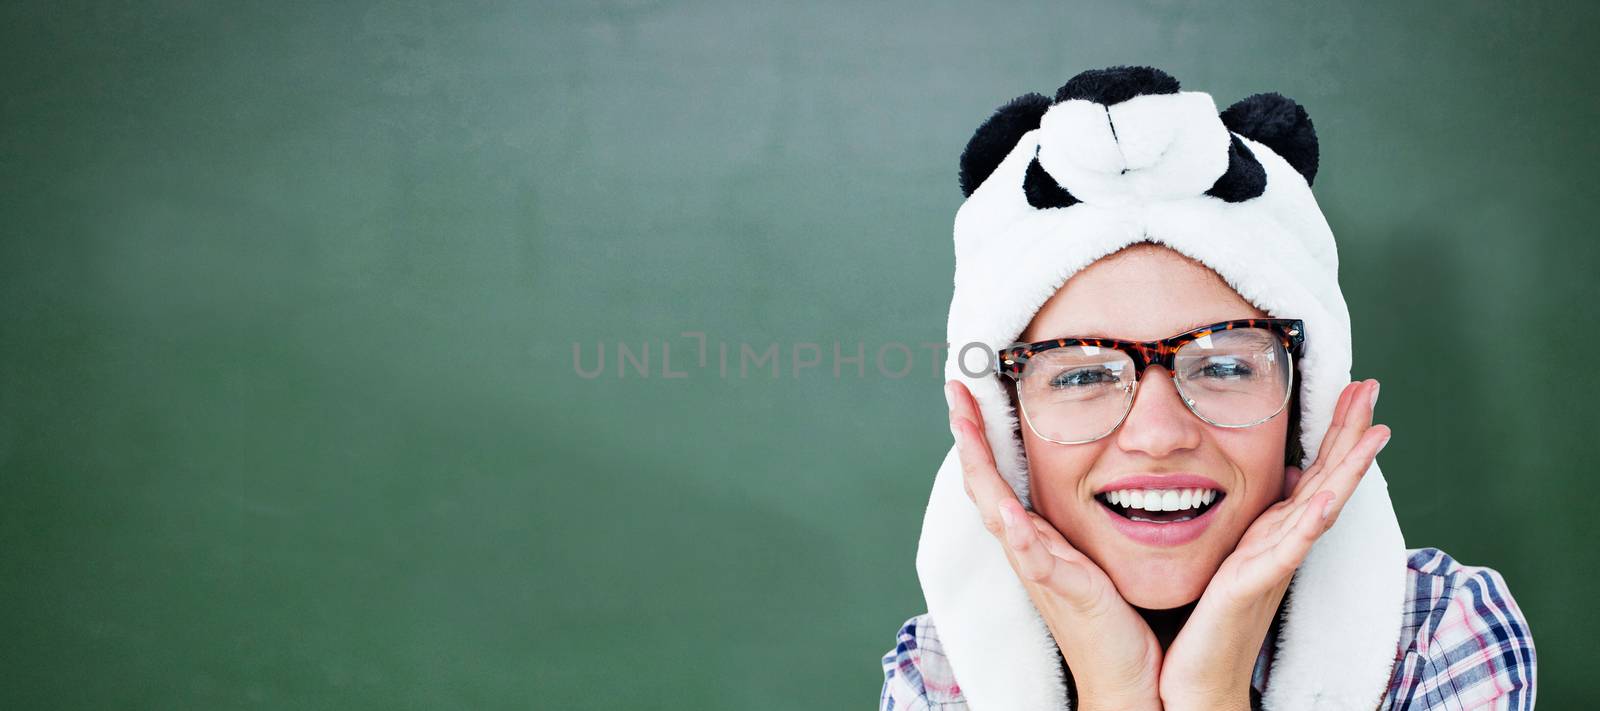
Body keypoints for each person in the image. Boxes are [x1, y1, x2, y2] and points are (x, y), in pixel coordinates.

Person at [880, 66, 1535, 710]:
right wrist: (1116, 690)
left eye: (1224, 367)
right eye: (1081, 374)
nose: (1159, 435)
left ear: (1305, 407)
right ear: (1005, 426)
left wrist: (1211, 692)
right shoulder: (936, 677)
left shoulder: (1440, 633)